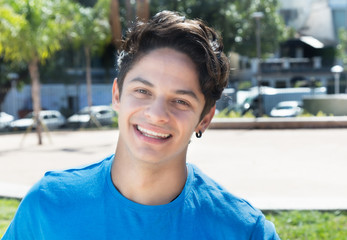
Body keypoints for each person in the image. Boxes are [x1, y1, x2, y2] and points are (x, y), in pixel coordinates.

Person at [3, 11, 280, 239]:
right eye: (143, 91)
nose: (157, 114)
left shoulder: (246, 232)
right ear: (116, 95)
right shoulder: (48, 205)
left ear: (205, 119)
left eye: (181, 101)